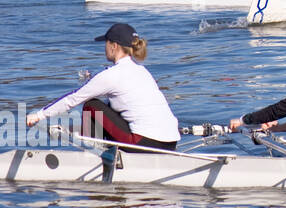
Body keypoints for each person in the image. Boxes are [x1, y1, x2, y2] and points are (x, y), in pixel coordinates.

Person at [26, 22, 180, 150]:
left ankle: (92, 153)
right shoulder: (142, 70)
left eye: (106, 43)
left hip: (143, 144)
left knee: (91, 105)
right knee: (109, 107)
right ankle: (101, 145)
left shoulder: (111, 74)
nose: (104, 48)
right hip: (171, 143)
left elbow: (73, 99)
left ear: (114, 46)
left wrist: (39, 115)